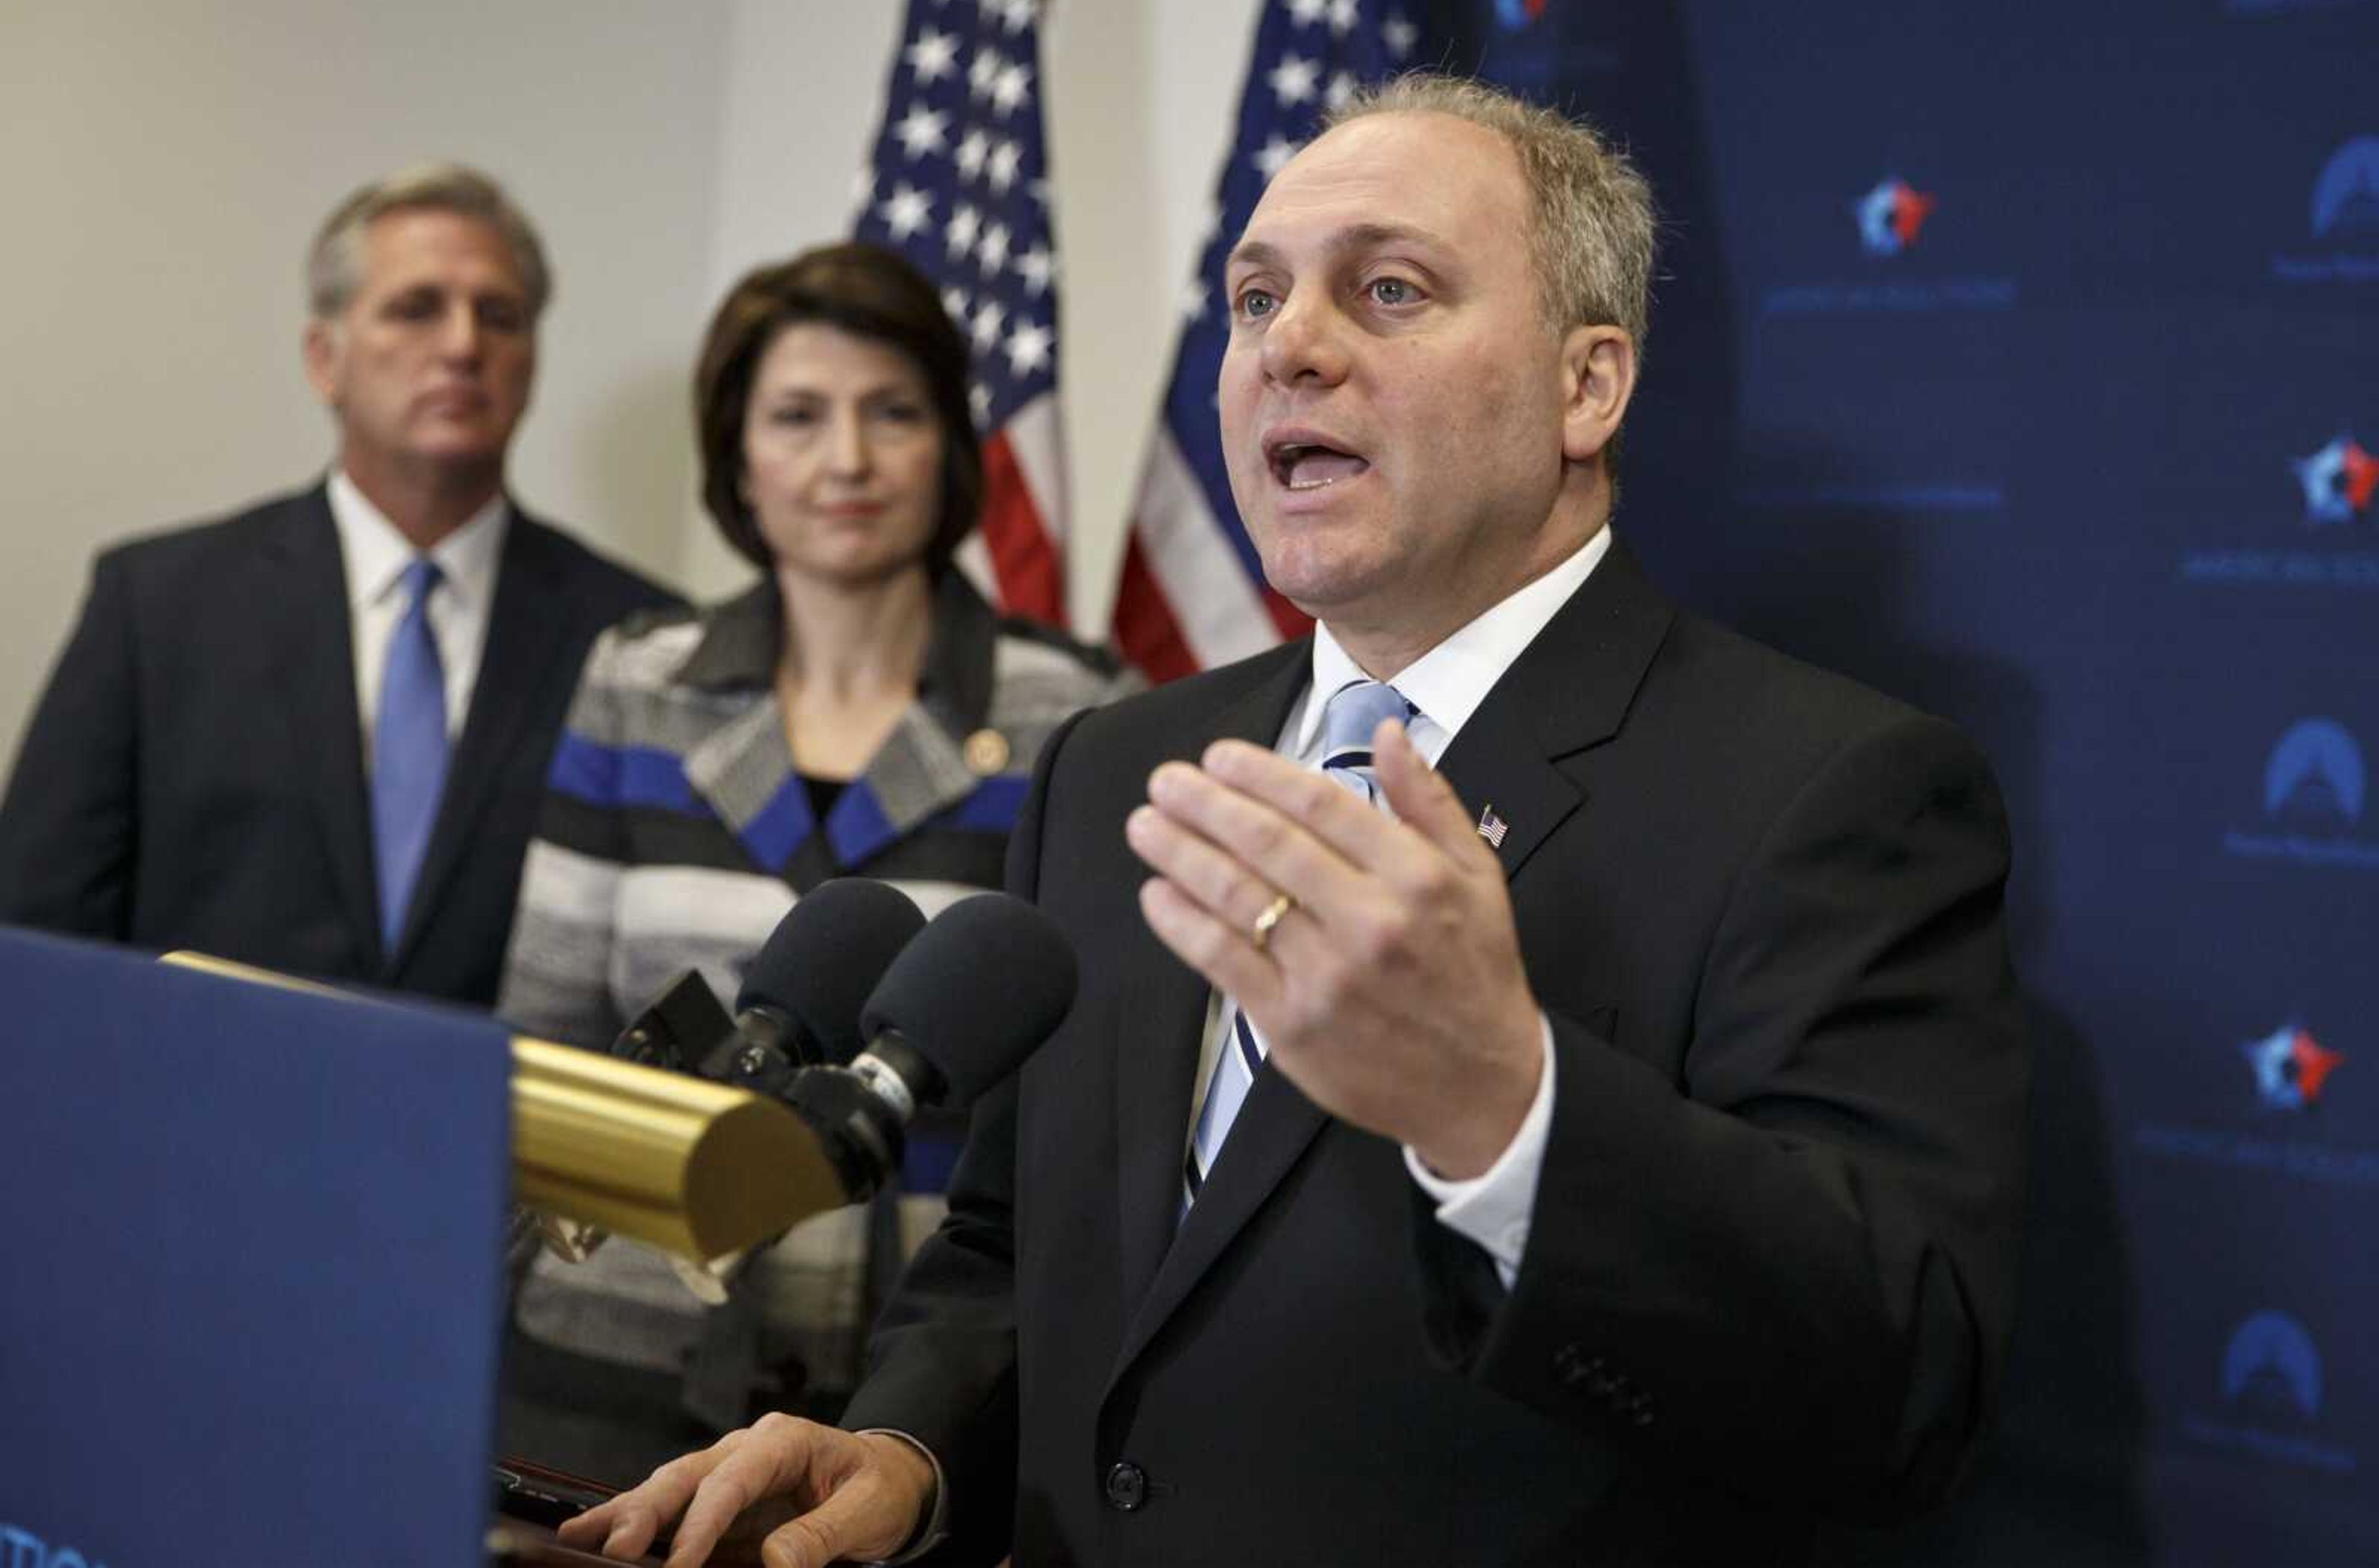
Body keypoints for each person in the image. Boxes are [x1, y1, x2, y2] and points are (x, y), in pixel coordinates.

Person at [564, 75, 2026, 1568]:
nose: (1291, 347)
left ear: (1589, 387)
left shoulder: (1829, 790)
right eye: (1255, 298)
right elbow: (1022, 1250)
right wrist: (908, 1445)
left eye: (1388, 290)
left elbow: (1900, 1386)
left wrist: (1505, 1110)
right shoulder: (1116, 766)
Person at [494, 242, 1136, 1487]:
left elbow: (1078, 1112)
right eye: (797, 416)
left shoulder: (1079, 712)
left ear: (949, 445)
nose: (846, 460)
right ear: (738, 454)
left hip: (899, 1410)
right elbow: (543, 1040)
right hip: (602, 1371)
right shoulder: (639, 682)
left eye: (891, 413)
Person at [0, 164, 674, 1009]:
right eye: (415, 308)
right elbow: (36, 936)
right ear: (326, 360)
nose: (464, 345)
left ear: (532, 361)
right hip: (196, 1124)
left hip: (501, 1135)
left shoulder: (635, 638)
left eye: (499, 315)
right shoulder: (157, 606)